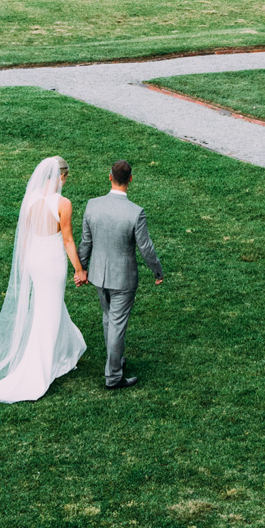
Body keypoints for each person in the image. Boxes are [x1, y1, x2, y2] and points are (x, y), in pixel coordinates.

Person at [0, 156, 88, 403]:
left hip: (35, 261)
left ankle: (70, 348)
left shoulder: (32, 199)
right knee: (48, 312)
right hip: (52, 263)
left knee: (48, 306)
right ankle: (39, 368)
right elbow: (68, 240)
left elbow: (25, 236)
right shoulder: (63, 203)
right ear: (61, 177)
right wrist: (79, 269)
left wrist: (26, 262)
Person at [77, 160, 163, 390]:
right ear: (131, 179)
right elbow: (146, 248)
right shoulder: (135, 212)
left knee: (109, 318)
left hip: (98, 275)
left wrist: (81, 268)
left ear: (109, 177)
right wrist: (157, 271)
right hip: (123, 278)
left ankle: (114, 360)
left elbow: (86, 242)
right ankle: (113, 375)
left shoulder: (92, 205)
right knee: (116, 323)